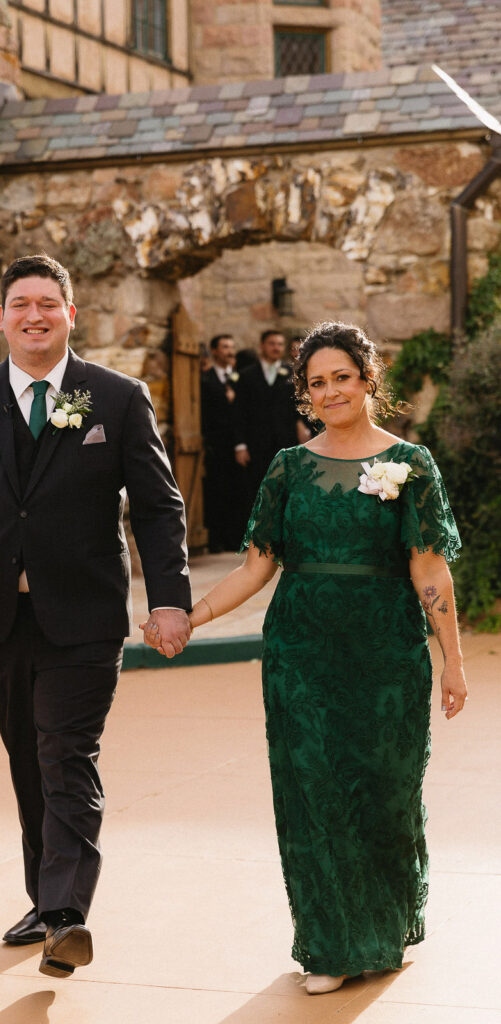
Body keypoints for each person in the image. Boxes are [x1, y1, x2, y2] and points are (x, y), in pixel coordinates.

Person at [0, 253, 192, 979]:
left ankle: (66, 915)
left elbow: (158, 507)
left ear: (71, 315)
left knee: (65, 753)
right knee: (28, 758)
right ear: (1, 318)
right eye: (20, 304)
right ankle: (44, 899)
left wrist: (167, 599)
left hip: (85, 616)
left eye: (48, 304)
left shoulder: (118, 398)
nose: (34, 315)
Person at [180, 321, 468, 994]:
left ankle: (382, 926)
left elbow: (429, 570)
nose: (330, 391)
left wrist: (451, 661)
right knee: (313, 791)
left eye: (341, 377)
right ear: (303, 395)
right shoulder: (286, 468)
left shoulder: (411, 465)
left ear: (368, 380)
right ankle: (331, 946)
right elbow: (255, 569)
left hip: (387, 655)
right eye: (316, 382)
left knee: (385, 791)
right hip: (300, 656)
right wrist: (190, 617)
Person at [234, 329, 304, 505]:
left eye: (280, 344)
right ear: (262, 346)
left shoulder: (292, 374)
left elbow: (298, 406)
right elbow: (239, 412)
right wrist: (240, 445)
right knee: (257, 491)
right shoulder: (246, 375)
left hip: (285, 440)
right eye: (272, 344)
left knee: (285, 489)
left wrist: (301, 426)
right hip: (255, 443)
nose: (276, 348)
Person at [201, 334, 244, 551]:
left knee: (237, 491)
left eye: (232, 346)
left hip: (238, 443)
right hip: (216, 444)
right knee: (217, 491)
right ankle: (216, 540)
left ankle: (234, 538)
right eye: (225, 347)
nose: (230, 351)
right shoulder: (205, 379)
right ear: (215, 351)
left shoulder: (239, 377)